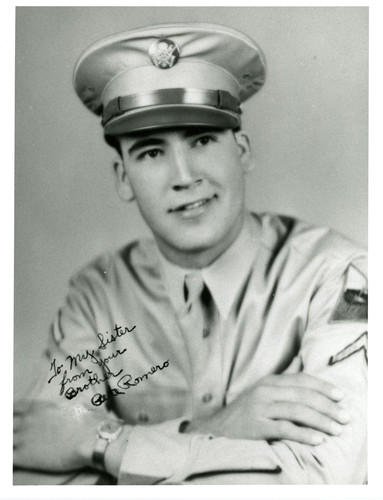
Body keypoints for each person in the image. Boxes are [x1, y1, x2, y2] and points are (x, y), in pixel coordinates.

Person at [13, 22, 367, 485]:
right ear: (123, 177)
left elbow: (326, 479)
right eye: (151, 152)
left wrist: (99, 443)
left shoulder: (338, 277)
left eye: (201, 140)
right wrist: (212, 431)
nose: (184, 176)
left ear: (241, 150)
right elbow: (34, 469)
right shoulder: (98, 296)